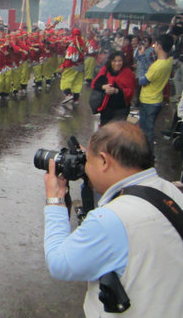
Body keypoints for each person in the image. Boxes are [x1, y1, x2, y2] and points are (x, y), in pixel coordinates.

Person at [43, 121, 183, 317]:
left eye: (88, 162)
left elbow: (59, 263)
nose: (86, 168)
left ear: (104, 161)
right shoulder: (169, 191)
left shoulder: (110, 220)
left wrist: (55, 199)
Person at [138, 34, 174, 147]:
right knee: (147, 129)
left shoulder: (158, 66)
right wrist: (142, 57)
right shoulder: (169, 61)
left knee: (146, 131)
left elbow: (142, 81)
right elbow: (150, 68)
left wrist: (141, 59)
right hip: (157, 99)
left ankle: (148, 155)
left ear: (159, 45)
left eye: (156, 43)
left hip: (149, 100)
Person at [91, 51, 136, 126]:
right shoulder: (105, 70)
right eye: (114, 61)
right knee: (105, 130)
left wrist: (116, 91)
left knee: (117, 131)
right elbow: (94, 84)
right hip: (106, 108)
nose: (117, 63)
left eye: (119, 61)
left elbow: (130, 91)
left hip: (121, 108)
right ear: (110, 61)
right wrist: (104, 87)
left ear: (123, 61)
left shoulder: (128, 73)